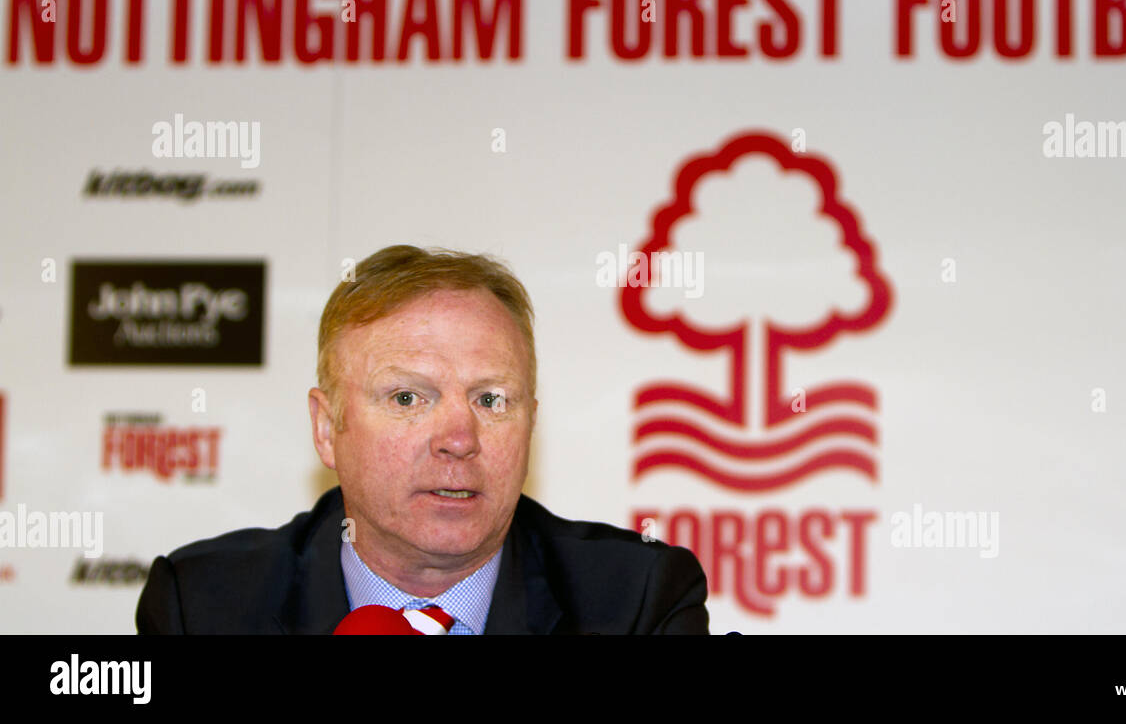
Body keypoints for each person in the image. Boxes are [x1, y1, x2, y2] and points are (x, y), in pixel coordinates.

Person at [136, 245, 709, 634]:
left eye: (491, 400)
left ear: (531, 423)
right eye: (408, 399)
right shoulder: (205, 606)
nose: (459, 439)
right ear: (325, 428)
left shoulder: (636, 602)